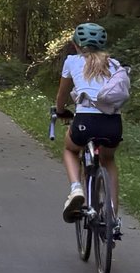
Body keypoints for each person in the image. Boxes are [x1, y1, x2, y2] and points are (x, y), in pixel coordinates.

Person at [53, 22, 130, 223]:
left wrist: (60, 111)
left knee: (70, 149)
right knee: (108, 160)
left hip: (85, 121)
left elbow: (62, 95)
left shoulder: (72, 61)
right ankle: (112, 216)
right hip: (113, 123)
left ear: (76, 44)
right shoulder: (114, 64)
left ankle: (76, 189)